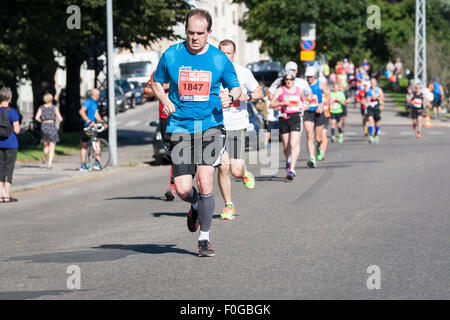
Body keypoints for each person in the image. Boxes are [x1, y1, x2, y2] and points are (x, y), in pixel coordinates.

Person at [151, 9, 241, 257]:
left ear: (209, 33)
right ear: (185, 31)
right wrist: (164, 99)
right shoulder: (171, 54)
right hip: (179, 126)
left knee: (204, 180)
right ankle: (196, 205)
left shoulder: (219, 59)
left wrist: (230, 96)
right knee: (182, 188)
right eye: (190, 32)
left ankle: (204, 238)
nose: (195, 38)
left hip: (210, 126)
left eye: (200, 33)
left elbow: (237, 88)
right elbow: (156, 82)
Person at [217, 39, 262, 220]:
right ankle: (229, 205)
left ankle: (243, 172)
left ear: (234, 54)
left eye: (229, 53)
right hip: (217, 125)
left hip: (236, 125)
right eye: (222, 53)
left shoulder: (243, 72)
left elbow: (259, 92)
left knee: (235, 170)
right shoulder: (213, 73)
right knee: (222, 167)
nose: (226, 56)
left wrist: (247, 96)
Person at [144, 71, 176, 201]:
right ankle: (178, 182)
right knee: (171, 154)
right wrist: (164, 88)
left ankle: (173, 186)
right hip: (165, 117)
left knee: (181, 152)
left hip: (185, 117)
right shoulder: (159, 72)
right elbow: (146, 92)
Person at [270, 70, 304, 179]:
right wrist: (281, 103)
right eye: (286, 79)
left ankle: (292, 170)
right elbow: (271, 104)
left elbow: (306, 101)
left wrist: (305, 105)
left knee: (293, 144)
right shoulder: (280, 90)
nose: (288, 81)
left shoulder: (299, 90)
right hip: (284, 118)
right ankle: (288, 160)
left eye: (290, 79)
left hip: (295, 117)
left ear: (294, 80)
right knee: (286, 146)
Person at [79, 88, 108, 171]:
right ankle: (83, 165)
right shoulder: (89, 102)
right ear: (95, 95)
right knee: (84, 145)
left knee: (97, 143)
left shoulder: (94, 103)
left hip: (92, 126)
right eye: (98, 94)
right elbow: (81, 111)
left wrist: (102, 122)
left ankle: (96, 162)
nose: (99, 96)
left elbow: (96, 114)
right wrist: (88, 121)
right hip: (86, 126)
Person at [0, 87, 20, 203]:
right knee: (8, 169)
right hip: (11, 143)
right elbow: (17, 130)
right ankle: (7, 195)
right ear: (10, 97)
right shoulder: (12, 112)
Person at [304, 66, 326, 167]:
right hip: (308, 112)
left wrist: (322, 105)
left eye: (311, 77)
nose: (309, 79)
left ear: (315, 76)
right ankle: (312, 158)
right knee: (309, 134)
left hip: (318, 112)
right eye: (307, 77)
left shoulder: (320, 85)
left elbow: (328, 95)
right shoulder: (304, 86)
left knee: (318, 138)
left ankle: (318, 147)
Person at [35, 93, 64, 169]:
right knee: (52, 146)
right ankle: (49, 164)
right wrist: (59, 126)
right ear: (51, 99)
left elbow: (37, 117)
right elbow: (60, 118)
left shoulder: (41, 108)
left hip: (44, 126)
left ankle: (44, 154)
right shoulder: (54, 107)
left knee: (46, 144)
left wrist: (42, 121)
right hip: (51, 126)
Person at [366, 78, 385, 144]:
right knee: (370, 120)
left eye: (373, 83)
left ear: (376, 83)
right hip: (370, 107)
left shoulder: (378, 90)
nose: (372, 84)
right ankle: (371, 136)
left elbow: (382, 98)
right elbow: (364, 97)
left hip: (376, 107)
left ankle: (376, 135)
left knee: (377, 123)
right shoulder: (368, 90)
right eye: (371, 83)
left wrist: (376, 98)